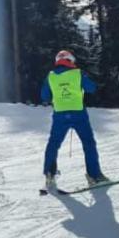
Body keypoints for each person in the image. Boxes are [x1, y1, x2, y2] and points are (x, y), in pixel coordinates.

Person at [41, 49, 109, 191]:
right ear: (70, 60)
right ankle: (94, 176)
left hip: (60, 114)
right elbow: (91, 88)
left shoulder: (51, 76)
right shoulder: (77, 73)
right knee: (88, 143)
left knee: (53, 143)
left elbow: (45, 96)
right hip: (78, 113)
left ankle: (49, 173)